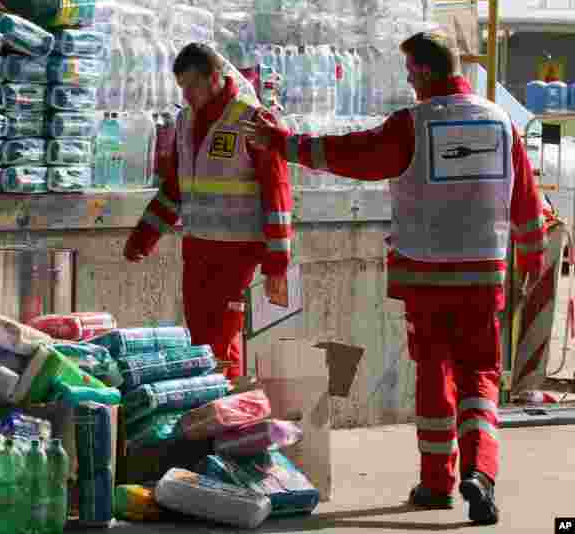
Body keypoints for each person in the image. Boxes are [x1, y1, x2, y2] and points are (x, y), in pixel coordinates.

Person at [236, 31, 547, 525]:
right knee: (480, 376)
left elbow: (350, 154)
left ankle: (436, 483)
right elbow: (527, 205)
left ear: (424, 71)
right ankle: (482, 473)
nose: (407, 80)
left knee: (433, 374)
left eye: (409, 71)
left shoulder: (413, 123)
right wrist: (530, 262)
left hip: (425, 276)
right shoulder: (500, 121)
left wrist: (284, 143)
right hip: (483, 275)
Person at [123, 43, 294, 380]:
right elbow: (175, 189)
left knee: (220, 338)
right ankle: (215, 411)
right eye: (182, 88)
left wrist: (277, 265)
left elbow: (277, 196)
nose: (187, 95)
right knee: (200, 339)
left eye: (192, 86)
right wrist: (144, 237)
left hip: (238, 252)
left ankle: (224, 414)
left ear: (215, 77)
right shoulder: (185, 121)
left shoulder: (254, 119)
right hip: (198, 248)